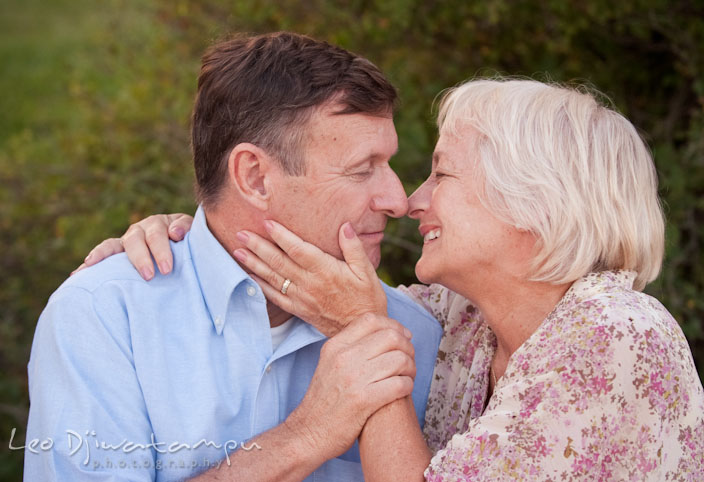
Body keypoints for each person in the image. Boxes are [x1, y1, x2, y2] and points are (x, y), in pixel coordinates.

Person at [93, 78, 704, 480]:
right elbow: (318, 283)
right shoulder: (458, 321)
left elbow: (359, 314)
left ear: (534, 204)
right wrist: (193, 235)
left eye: (441, 175)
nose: (411, 201)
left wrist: (364, 328)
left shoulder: (616, 334)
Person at [25, 32, 443, 481]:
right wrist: (307, 435)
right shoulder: (106, 317)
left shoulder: (418, 335)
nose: (398, 201)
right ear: (255, 177)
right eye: (362, 170)